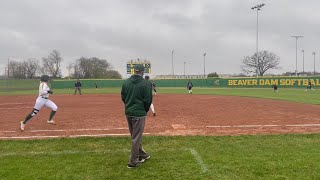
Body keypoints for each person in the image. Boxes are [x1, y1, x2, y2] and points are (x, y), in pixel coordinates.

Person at [121, 64, 152, 168]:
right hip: (139, 113)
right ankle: (133, 161)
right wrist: (144, 110)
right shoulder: (146, 83)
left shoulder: (126, 82)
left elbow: (123, 97)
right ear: (143, 72)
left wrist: (129, 105)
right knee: (136, 137)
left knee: (135, 136)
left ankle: (142, 154)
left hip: (128, 112)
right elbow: (148, 100)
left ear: (134, 71)